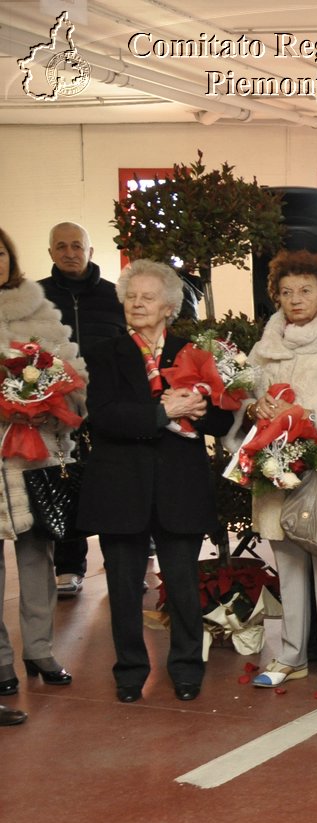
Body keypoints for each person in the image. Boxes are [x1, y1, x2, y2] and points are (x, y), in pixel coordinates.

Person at [77, 259, 233, 703]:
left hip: (179, 486)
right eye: (130, 296)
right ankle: (129, 671)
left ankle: (187, 667)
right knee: (124, 588)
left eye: (147, 297)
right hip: (119, 487)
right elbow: (104, 418)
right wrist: (165, 412)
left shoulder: (193, 352)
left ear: (169, 306)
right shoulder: (105, 353)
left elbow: (222, 419)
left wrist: (201, 407)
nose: (136, 304)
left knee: (183, 584)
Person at [242, 250, 317, 692]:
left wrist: (304, 416)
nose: (295, 299)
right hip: (274, 469)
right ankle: (290, 655)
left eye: (305, 290)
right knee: (286, 562)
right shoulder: (265, 345)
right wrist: (256, 406)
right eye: (286, 291)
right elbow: (245, 395)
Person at [0, 226, 86, 694]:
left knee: (37, 558)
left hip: (34, 454)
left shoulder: (38, 309)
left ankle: (39, 649)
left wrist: (48, 398)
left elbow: (73, 373)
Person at [40, 222, 124, 599]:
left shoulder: (115, 296)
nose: (70, 252)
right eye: (62, 246)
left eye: (77, 245)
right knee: (64, 485)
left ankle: (121, 565)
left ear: (91, 251)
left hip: (107, 408)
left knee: (111, 487)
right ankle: (69, 565)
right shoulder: (36, 297)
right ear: (51, 253)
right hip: (55, 411)